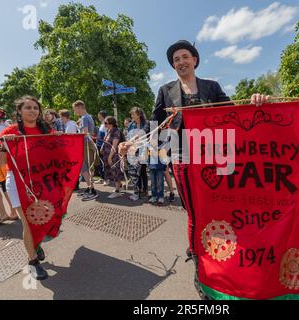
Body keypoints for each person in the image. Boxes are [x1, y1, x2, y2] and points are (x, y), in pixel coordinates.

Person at [121, 40, 268, 300]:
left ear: (195, 60)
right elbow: (154, 125)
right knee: (194, 211)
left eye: (184, 56)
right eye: (175, 59)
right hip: (183, 157)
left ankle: (221, 253)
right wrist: (132, 142)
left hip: (215, 157)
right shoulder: (165, 90)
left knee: (218, 208)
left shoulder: (212, 87)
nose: (180, 62)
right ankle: (202, 269)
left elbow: (235, 113)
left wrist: (258, 102)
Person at [0, 96, 53, 280]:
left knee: (43, 219)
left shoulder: (45, 129)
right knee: (29, 221)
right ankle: (33, 261)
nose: (32, 111)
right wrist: (5, 146)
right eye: (28, 107)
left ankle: (35, 244)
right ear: (19, 111)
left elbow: (57, 153)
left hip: (41, 181)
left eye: (35, 108)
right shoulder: (9, 131)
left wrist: (60, 138)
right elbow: (0, 164)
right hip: (17, 182)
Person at [72, 100, 98, 201]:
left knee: (84, 168)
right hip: (88, 144)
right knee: (87, 167)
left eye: (75, 110)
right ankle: (89, 188)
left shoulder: (84, 118)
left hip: (85, 144)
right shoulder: (88, 117)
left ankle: (92, 189)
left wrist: (73, 135)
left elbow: (85, 133)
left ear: (80, 107)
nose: (75, 112)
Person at [127, 107, 148, 201]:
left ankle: (145, 190)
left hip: (143, 149)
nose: (131, 116)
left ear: (139, 115)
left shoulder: (146, 124)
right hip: (134, 150)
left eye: (133, 114)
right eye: (131, 114)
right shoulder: (131, 125)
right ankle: (138, 190)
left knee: (143, 170)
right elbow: (129, 137)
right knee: (136, 171)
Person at [101, 116, 125, 199]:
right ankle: (120, 186)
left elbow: (114, 145)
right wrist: (102, 148)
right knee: (112, 172)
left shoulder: (116, 132)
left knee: (116, 173)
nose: (104, 125)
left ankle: (117, 191)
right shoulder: (109, 131)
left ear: (111, 124)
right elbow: (106, 141)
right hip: (107, 155)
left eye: (106, 123)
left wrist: (110, 157)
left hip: (114, 156)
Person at [95, 111, 108, 185]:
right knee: (100, 163)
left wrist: (103, 146)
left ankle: (106, 179)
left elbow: (106, 137)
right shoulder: (102, 124)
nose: (98, 117)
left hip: (102, 146)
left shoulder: (106, 125)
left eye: (99, 116)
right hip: (98, 145)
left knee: (104, 163)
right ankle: (102, 178)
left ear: (102, 116)